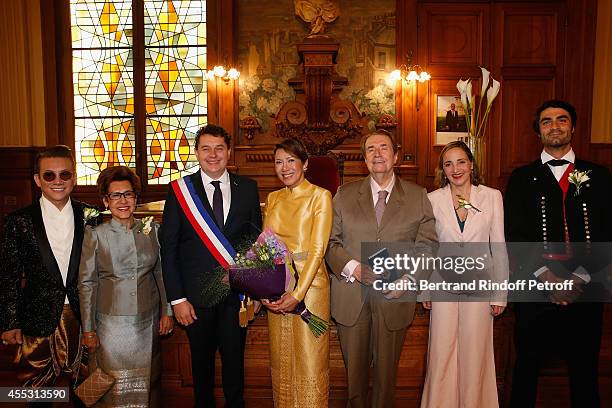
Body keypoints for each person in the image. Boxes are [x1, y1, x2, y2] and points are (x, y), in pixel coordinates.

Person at [505, 100, 612, 408]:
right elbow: (515, 234)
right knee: (526, 370)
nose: (555, 125)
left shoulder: (599, 175)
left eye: (562, 120)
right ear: (538, 131)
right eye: (547, 121)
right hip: (536, 286)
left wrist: (580, 276)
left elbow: (607, 231)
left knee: (584, 372)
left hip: (587, 285)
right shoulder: (521, 178)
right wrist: (546, 277)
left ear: (572, 127)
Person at [325, 130, 437, 408]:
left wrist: (409, 280)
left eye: (384, 148)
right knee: (355, 380)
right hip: (352, 298)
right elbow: (329, 243)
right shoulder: (344, 194)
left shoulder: (418, 195)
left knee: (387, 380)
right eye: (371, 149)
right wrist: (353, 268)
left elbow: (428, 246)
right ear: (364, 159)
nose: (377, 154)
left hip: (395, 300)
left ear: (396, 156)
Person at [160, 124, 262, 408]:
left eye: (219, 148)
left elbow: (254, 244)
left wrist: (254, 293)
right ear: (196, 153)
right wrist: (177, 299)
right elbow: (168, 248)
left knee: (234, 369)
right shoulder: (180, 190)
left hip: (236, 298)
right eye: (206, 148)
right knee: (201, 370)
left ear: (229, 152)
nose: (213, 155)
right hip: (195, 299)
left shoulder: (248, 188)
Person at [0, 146, 96, 395]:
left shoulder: (91, 216)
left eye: (64, 175)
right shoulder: (18, 220)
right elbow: (8, 275)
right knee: (37, 389)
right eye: (49, 175)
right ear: (37, 180)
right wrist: (10, 322)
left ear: (74, 178)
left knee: (86, 388)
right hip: (37, 315)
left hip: (84, 314)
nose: (57, 181)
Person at [420, 141, 508, 408]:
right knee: (441, 354)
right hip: (442, 286)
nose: (455, 169)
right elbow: (428, 248)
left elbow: (499, 247)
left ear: (471, 164)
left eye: (460, 162)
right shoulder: (432, 199)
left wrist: (500, 295)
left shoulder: (492, 197)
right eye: (448, 164)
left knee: (474, 353)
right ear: (442, 170)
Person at [78, 166, 173, 406]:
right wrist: (88, 329)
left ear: (136, 198)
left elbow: (161, 273)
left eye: (128, 194)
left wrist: (167, 311)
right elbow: (87, 283)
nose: (123, 201)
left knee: (146, 385)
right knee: (112, 386)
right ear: (105, 201)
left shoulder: (152, 230)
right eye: (115, 195)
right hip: (109, 326)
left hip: (147, 322)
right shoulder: (96, 234)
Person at [261, 138, 333, 407]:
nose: (285, 167)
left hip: (310, 289)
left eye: (291, 160)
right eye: (279, 162)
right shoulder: (273, 198)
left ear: (305, 164)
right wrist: (264, 292)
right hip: (278, 288)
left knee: (309, 358)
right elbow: (266, 248)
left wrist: (298, 293)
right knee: (282, 358)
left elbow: (317, 250)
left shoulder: (320, 196)